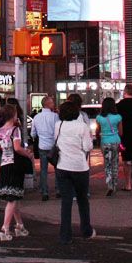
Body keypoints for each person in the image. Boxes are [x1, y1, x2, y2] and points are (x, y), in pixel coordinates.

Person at [55, 101, 95, 245]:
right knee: (82, 200)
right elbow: (87, 146)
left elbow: (57, 143)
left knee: (66, 202)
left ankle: (65, 235)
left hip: (62, 166)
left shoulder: (58, 125)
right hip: (79, 167)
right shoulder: (82, 127)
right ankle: (86, 230)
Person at [0, 104, 33, 241]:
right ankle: (5, 228)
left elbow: (0, 146)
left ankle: (20, 225)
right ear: (13, 115)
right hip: (15, 165)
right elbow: (17, 148)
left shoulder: (0, 130)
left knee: (13, 196)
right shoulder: (15, 130)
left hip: (4, 164)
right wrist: (27, 154)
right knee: (12, 198)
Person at [31, 96, 60, 201]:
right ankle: (58, 190)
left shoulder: (36, 117)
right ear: (47, 104)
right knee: (57, 168)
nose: (53, 104)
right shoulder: (55, 117)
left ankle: (44, 191)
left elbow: (33, 134)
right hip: (53, 146)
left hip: (42, 146)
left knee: (43, 170)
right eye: (52, 102)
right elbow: (58, 131)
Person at [96, 97, 123, 196]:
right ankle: (115, 184)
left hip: (105, 142)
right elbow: (121, 132)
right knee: (115, 163)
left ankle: (109, 186)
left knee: (107, 164)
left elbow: (98, 131)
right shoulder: (118, 117)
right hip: (115, 141)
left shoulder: (99, 118)